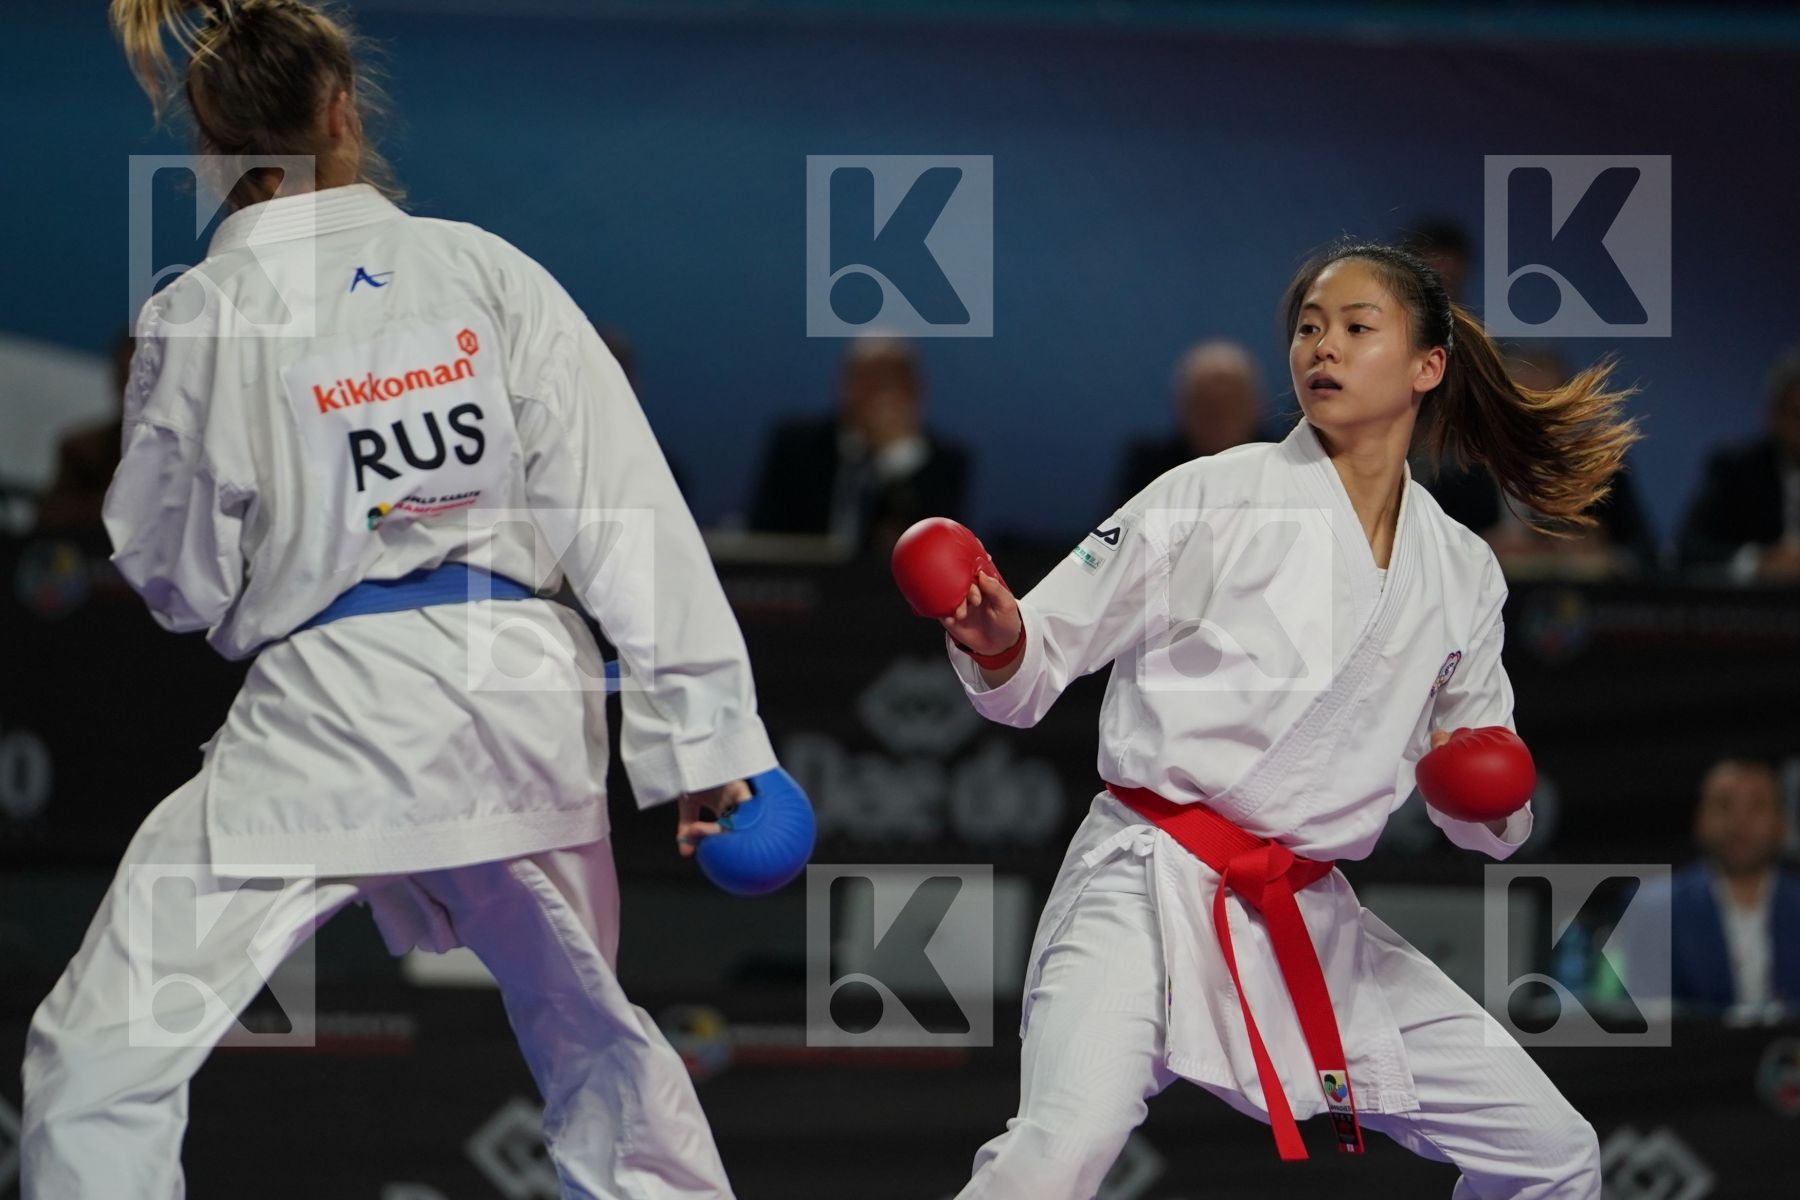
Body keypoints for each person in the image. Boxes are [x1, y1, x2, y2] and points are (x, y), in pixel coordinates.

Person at [23, 3, 776, 1197]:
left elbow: (169, 572)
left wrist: (278, 564)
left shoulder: (200, 315)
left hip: (330, 720)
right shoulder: (485, 270)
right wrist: (712, 741)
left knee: (100, 1061)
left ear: (208, 148)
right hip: (525, 709)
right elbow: (624, 509)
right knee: (599, 1049)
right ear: (344, 113)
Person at [931, 240, 1639, 1198]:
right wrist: (996, 635)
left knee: (1553, 1152)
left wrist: (1487, 789)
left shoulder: (1460, 569)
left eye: (1355, 328)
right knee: (1059, 1148)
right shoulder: (1211, 494)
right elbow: (1033, 666)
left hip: (1305, 915)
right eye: (1309, 328)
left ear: (1427, 366)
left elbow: (1489, 821)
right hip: (1143, 885)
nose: (1322, 348)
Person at [747, 338, 970, 556]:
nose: (878, 393)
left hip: (886, 590)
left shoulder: (944, 462)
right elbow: (764, 538)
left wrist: (894, 455)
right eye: (867, 378)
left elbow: (932, 553)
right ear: (843, 384)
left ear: (915, 391)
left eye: (890, 380)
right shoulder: (796, 447)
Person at [1630, 757, 1800, 1018]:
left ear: (1783, 823)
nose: (1740, 821)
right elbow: (1646, 1019)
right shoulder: (1654, 908)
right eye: (1724, 805)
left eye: (1756, 806)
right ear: (1700, 819)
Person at [1678, 347, 1800, 581]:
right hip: (1760, 610)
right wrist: (1758, 561)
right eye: (1798, 415)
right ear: (1774, 415)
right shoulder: (1738, 470)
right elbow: (1689, 548)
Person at [1111, 339, 1278, 506]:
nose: (1220, 420)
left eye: (1231, 406)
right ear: (1183, 408)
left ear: (1257, 407)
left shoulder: (1283, 462)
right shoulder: (1151, 469)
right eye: (1208, 408)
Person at [33, 331, 135, 535]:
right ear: (115, 380)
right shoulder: (83, 450)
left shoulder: (198, 457)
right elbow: (50, 518)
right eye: (127, 377)